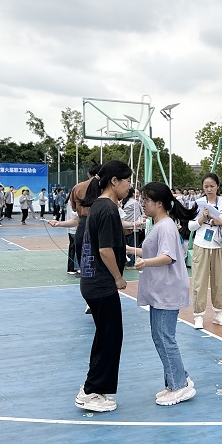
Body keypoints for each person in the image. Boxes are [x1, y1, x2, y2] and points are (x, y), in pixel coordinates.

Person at [125, 181, 199, 405]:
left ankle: (179, 386)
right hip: (160, 290)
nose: (142, 204)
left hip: (167, 290)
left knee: (165, 338)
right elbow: (152, 251)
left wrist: (144, 262)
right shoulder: (159, 225)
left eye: (146, 200)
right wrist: (128, 249)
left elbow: (167, 257)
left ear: (159, 203)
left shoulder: (165, 226)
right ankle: (178, 379)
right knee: (161, 337)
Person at [74, 160, 133, 413]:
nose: (129, 186)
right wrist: (118, 278)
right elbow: (105, 250)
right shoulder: (108, 208)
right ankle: (91, 390)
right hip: (101, 284)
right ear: (114, 181)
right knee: (110, 337)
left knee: (105, 336)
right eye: (127, 181)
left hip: (91, 282)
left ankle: (92, 387)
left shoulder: (98, 206)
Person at [189, 173, 222, 329]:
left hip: (219, 245)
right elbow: (190, 226)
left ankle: (218, 313)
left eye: (212, 186)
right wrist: (202, 218)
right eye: (206, 186)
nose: (209, 189)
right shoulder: (197, 203)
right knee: (199, 281)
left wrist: (220, 222)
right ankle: (198, 315)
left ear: (217, 187)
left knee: (219, 282)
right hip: (201, 245)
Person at [120, 188, 143, 268]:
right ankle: (130, 264)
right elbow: (138, 215)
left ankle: (125, 263)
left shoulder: (123, 202)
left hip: (124, 228)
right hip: (132, 228)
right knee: (133, 247)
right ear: (133, 194)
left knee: (126, 246)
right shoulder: (134, 203)